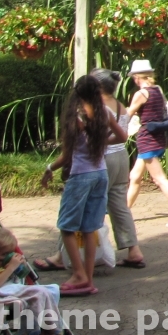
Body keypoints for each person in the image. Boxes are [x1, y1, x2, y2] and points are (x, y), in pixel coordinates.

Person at [35, 69, 147, 272]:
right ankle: (134, 250)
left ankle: (61, 256)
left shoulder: (93, 108)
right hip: (121, 157)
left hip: (101, 160)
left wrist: (99, 143)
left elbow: (74, 147)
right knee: (119, 206)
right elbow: (122, 135)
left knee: (82, 210)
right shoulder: (119, 105)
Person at [40, 75, 126, 296]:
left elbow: (67, 155)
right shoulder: (104, 113)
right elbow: (122, 136)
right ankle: (88, 278)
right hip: (100, 174)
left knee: (67, 227)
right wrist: (103, 142)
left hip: (81, 176)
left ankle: (78, 274)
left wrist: (49, 168)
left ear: (77, 93)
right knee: (90, 228)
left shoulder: (76, 117)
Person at [125, 60, 168, 228]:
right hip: (158, 138)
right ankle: (124, 212)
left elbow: (128, 114)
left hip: (147, 140)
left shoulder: (141, 94)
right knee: (135, 176)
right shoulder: (158, 90)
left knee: (159, 179)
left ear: (136, 77)